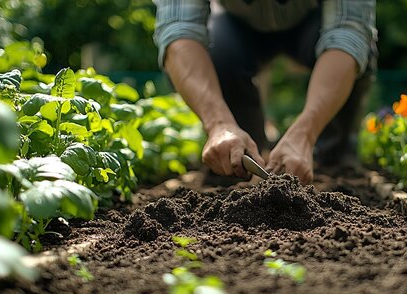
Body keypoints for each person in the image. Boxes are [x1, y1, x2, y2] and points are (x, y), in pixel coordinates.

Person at [153, 0, 377, 184]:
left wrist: (305, 133)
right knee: (217, 51)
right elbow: (179, 31)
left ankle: (332, 160)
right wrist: (218, 124)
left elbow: (348, 31)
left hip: (314, 20)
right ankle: (238, 159)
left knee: (335, 166)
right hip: (235, 24)